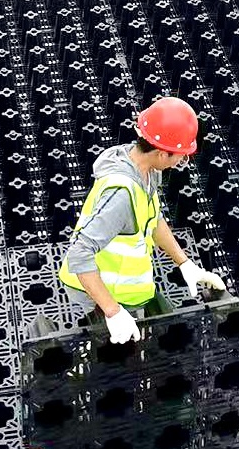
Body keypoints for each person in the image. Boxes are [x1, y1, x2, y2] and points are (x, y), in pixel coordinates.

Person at [58, 97, 225, 343]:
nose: (181, 162)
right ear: (161, 153)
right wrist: (113, 312)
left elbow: (152, 217)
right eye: (180, 156)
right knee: (103, 360)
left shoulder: (146, 171)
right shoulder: (121, 195)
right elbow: (79, 253)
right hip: (95, 296)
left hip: (121, 292)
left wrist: (185, 263)